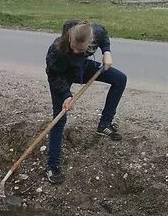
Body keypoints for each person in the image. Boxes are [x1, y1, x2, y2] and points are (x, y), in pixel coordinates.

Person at [44, 20, 128, 184]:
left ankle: (104, 124)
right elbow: (54, 75)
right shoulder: (57, 50)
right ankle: (53, 166)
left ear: (89, 42)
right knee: (59, 118)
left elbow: (103, 33)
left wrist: (107, 52)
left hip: (82, 68)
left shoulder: (93, 32)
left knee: (120, 79)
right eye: (74, 48)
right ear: (70, 39)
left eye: (80, 49)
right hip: (61, 76)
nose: (76, 50)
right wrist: (66, 95)